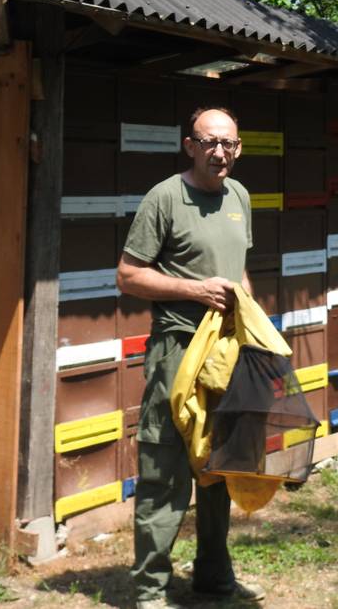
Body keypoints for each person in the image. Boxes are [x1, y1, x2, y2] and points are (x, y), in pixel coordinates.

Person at [117, 107, 265, 609]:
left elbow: (240, 272)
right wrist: (193, 289)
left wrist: (255, 332)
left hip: (226, 352)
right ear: (190, 146)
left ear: (238, 148)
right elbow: (128, 276)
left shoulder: (239, 196)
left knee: (221, 465)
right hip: (176, 351)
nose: (219, 152)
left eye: (228, 143)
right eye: (209, 143)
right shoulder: (165, 198)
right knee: (164, 470)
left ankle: (214, 577)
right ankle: (151, 591)